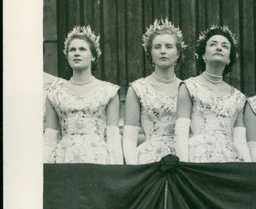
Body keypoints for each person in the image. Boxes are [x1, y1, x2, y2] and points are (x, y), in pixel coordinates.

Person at [44, 25, 122, 164]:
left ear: (93, 56)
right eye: (72, 50)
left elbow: (113, 137)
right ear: (67, 56)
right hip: (64, 158)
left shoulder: (108, 91)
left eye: (82, 49)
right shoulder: (54, 93)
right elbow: (50, 138)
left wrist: (118, 171)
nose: (76, 53)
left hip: (98, 158)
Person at [175, 25, 250, 162]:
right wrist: (183, 167)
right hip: (198, 157)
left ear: (229, 59)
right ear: (203, 55)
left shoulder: (238, 97)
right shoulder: (189, 87)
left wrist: (249, 170)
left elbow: (240, 141)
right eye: (213, 44)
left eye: (225, 46)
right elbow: (181, 133)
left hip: (230, 158)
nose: (219, 48)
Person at [122, 19, 184, 164]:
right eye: (157, 47)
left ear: (178, 53)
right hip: (149, 159)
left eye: (168, 46)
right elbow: (129, 139)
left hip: (182, 158)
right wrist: (135, 170)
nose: (163, 51)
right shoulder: (137, 89)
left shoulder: (187, 88)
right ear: (150, 54)